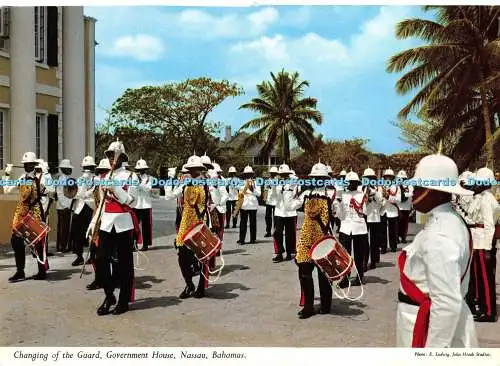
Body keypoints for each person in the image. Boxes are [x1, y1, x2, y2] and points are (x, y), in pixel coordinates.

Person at [396, 153, 477, 348]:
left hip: (427, 326)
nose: (412, 193)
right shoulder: (448, 220)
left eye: (418, 187)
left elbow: (446, 303)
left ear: (435, 191)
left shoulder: (439, 235)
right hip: (426, 318)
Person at [86, 140, 140, 315]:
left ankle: (123, 300)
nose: (111, 158)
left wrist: (116, 189)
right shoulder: (103, 178)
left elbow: (132, 201)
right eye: (109, 155)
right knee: (100, 261)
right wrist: (93, 223)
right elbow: (101, 204)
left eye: (113, 155)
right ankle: (109, 295)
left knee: (124, 265)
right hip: (107, 222)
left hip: (124, 223)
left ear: (122, 157)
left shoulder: (131, 177)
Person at [290, 162, 333, 318]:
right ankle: (308, 306)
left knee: (324, 275)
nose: (317, 180)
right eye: (315, 178)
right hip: (307, 237)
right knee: (304, 272)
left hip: (323, 238)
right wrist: (292, 191)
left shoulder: (333, 194)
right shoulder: (306, 193)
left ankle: (326, 305)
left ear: (326, 179)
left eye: (320, 177)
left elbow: (337, 214)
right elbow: (292, 206)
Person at [6, 152, 49, 281]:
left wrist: (43, 212)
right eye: (25, 164)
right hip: (21, 213)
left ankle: (42, 271)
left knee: (37, 243)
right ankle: (20, 271)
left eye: (29, 164)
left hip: (34, 213)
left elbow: (48, 194)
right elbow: (6, 190)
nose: (26, 166)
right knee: (16, 242)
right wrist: (7, 174)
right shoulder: (21, 178)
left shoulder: (41, 178)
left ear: (34, 165)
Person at [175, 155, 212, 299]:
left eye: (195, 169)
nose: (192, 172)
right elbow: (172, 195)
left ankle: (201, 287)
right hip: (186, 223)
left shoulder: (208, 183)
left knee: (203, 258)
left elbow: (217, 199)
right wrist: (180, 184)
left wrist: (213, 205)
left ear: (200, 170)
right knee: (182, 256)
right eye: (190, 169)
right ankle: (189, 284)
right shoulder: (185, 183)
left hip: (202, 223)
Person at [466, 167, 499, 323]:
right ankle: (484, 308)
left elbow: (489, 225)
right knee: (480, 278)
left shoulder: (486, 198)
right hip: (478, 241)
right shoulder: (482, 196)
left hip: (482, 242)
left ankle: (489, 312)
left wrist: (487, 249)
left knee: (486, 280)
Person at [334, 170, 369, 287]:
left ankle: (359, 277)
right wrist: (338, 204)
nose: (351, 184)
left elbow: (365, 212)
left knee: (359, 255)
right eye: (349, 182)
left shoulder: (362, 195)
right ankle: (345, 278)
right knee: (345, 255)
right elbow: (339, 215)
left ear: (357, 183)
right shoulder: (342, 195)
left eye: (353, 182)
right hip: (345, 227)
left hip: (359, 227)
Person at [86, 158, 112, 291]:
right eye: (100, 171)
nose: (102, 174)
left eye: (105, 171)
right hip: (96, 219)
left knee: (111, 255)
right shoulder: (96, 183)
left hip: (109, 220)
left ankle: (112, 279)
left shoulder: (112, 184)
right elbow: (84, 196)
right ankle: (99, 278)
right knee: (94, 253)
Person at [71, 156, 96, 266]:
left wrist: (84, 193)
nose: (87, 169)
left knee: (92, 233)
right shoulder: (79, 179)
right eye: (85, 167)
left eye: (89, 167)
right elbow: (76, 192)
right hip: (79, 207)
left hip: (91, 207)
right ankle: (79, 256)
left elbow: (93, 191)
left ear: (92, 168)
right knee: (77, 233)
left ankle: (92, 256)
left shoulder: (96, 179)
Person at [270, 164, 297, 262]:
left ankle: (289, 253)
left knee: (290, 234)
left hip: (290, 212)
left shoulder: (293, 182)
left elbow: (295, 194)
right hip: (279, 211)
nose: (284, 176)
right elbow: (273, 196)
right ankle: (279, 253)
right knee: (277, 233)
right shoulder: (276, 183)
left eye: (286, 174)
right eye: (282, 174)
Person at [362, 167, 384, 270]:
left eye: (371, 177)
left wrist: (374, 192)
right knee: (364, 241)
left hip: (375, 216)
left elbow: (380, 201)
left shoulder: (378, 188)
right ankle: (364, 262)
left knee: (374, 241)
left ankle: (374, 261)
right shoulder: (361, 188)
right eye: (367, 177)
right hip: (365, 216)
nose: (369, 179)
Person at [132, 158, 153, 251]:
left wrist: (140, 183)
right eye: (139, 169)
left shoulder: (150, 178)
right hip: (136, 204)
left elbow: (148, 189)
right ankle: (134, 243)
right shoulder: (133, 178)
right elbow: (132, 190)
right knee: (134, 225)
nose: (140, 171)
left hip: (146, 205)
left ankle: (145, 244)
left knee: (146, 226)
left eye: (142, 169)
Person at [236, 166, 261, 245]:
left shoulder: (256, 183)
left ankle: (253, 239)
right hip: (244, 204)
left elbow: (259, 194)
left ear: (252, 174)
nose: (248, 176)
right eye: (246, 174)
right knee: (243, 222)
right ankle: (241, 239)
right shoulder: (240, 182)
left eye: (249, 174)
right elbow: (238, 189)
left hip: (253, 204)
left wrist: (253, 189)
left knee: (253, 222)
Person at [55, 159, 74, 253]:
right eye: (68, 168)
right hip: (63, 207)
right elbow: (60, 193)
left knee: (65, 227)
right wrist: (66, 205)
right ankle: (62, 246)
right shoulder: (62, 179)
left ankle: (63, 245)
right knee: (63, 227)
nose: (71, 170)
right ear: (64, 169)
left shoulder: (66, 178)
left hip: (66, 206)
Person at [381, 168, 400, 252]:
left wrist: (389, 197)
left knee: (393, 230)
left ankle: (393, 246)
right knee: (382, 231)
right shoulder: (381, 186)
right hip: (383, 210)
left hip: (392, 210)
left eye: (390, 176)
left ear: (393, 178)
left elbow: (398, 199)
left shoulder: (396, 187)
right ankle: (383, 247)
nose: (388, 178)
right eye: (386, 176)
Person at [397, 170, 413, 244]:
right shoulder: (396, 185)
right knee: (398, 223)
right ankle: (397, 237)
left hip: (406, 207)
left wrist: (404, 195)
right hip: (398, 207)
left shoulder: (409, 185)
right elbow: (396, 196)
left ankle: (403, 237)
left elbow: (411, 194)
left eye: (403, 178)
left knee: (405, 224)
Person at [263, 166, 278, 237]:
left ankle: (275, 231)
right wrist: (264, 198)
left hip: (276, 201)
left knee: (276, 217)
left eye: (274, 173)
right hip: (269, 201)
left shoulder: (278, 181)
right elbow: (265, 190)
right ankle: (268, 231)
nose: (272, 174)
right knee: (268, 217)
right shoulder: (267, 181)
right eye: (272, 173)